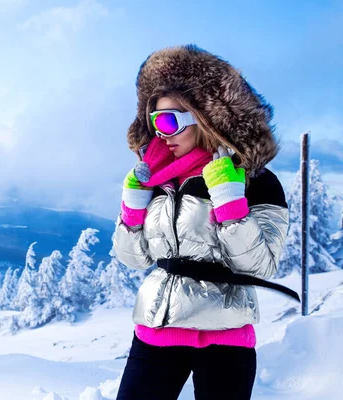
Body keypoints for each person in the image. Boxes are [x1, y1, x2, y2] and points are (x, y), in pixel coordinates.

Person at [112, 45, 291, 400]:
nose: (159, 133)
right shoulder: (157, 179)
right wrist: (132, 210)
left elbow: (259, 265)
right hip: (156, 332)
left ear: (204, 118)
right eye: (154, 121)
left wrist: (228, 199)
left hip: (226, 339)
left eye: (169, 121)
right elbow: (135, 259)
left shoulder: (255, 181)